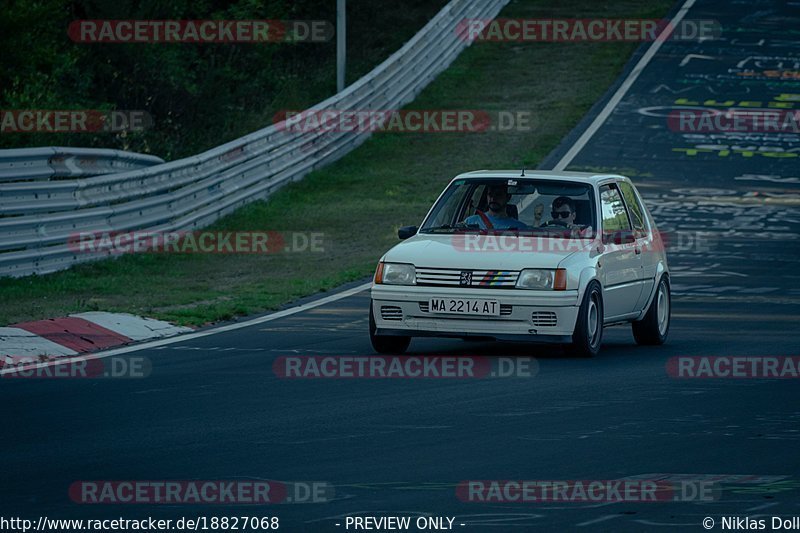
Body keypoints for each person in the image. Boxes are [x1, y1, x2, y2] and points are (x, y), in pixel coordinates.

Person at [463, 183, 528, 230]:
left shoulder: (520, 228)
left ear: (508, 197)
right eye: (490, 194)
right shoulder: (470, 222)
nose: (493, 198)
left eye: (498, 195)